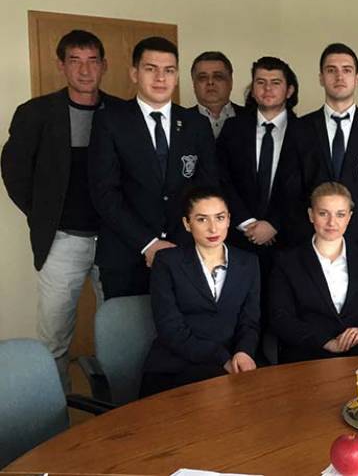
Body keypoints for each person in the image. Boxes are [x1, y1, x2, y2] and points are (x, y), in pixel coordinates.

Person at [1, 29, 117, 389]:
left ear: (104, 66)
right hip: (62, 240)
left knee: (119, 329)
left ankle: (119, 406)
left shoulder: (121, 112)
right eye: (75, 61)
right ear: (61, 65)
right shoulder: (35, 113)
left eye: (92, 61)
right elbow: (14, 172)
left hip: (115, 240)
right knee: (54, 336)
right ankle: (57, 411)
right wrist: (43, 214)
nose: (84, 70)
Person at [88, 36, 218, 299]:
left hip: (184, 252)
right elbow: (104, 193)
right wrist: (149, 244)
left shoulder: (196, 124)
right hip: (126, 254)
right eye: (151, 69)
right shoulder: (109, 121)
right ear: (134, 73)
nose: (160, 78)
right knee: (125, 325)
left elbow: (207, 189)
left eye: (169, 70)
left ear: (177, 77)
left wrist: (182, 242)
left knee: (181, 324)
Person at [268, 182, 358, 362]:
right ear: (311, 215)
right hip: (310, 355)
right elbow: (280, 318)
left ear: (349, 217)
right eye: (323, 213)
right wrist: (325, 342)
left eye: (340, 214)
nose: (331, 222)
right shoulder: (287, 262)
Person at [140, 186, 260, 397]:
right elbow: (170, 329)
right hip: (177, 365)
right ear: (187, 224)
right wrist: (221, 358)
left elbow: (250, 320)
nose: (213, 228)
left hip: (235, 360)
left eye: (220, 218)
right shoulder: (167, 262)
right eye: (202, 219)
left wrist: (244, 352)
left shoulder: (248, 262)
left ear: (229, 219)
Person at [216, 56, 309, 259]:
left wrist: (274, 224)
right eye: (260, 82)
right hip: (239, 240)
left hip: (290, 242)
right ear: (252, 89)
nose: (267, 89)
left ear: (289, 90)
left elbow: (309, 187)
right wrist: (247, 223)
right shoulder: (233, 129)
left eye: (275, 82)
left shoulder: (307, 132)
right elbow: (221, 179)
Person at [302, 43, 358, 249]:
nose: (339, 76)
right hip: (310, 241)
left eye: (347, 70)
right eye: (331, 70)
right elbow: (292, 191)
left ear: (357, 78)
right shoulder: (301, 128)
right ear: (321, 78)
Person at [190, 51, 244, 138]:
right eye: (203, 77)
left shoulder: (252, 119)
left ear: (230, 82)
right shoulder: (179, 122)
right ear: (194, 84)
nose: (210, 82)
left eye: (218, 76)